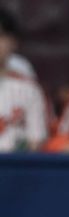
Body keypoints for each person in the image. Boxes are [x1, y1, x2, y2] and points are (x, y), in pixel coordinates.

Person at [0, 9, 48, 151]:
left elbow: (37, 141)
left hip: (14, 163)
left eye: (0, 35)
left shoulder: (29, 89)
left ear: (13, 42)